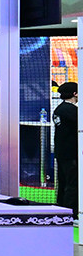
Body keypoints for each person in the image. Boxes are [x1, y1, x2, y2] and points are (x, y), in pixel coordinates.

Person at [54, 82, 78, 216]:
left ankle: (61, 210)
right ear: (75, 93)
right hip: (71, 154)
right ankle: (71, 212)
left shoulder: (59, 109)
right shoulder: (72, 111)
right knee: (72, 184)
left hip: (61, 153)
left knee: (63, 183)